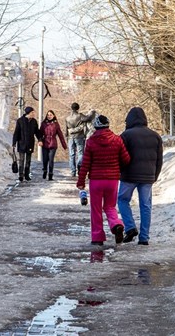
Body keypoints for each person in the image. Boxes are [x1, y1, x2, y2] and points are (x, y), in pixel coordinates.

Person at [76, 115, 130, 246]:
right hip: (112, 180)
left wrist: (81, 181)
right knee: (110, 206)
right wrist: (117, 167)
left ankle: (97, 237)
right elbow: (126, 159)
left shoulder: (91, 142)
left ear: (95, 126)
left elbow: (86, 164)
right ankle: (116, 224)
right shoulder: (117, 140)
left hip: (96, 180)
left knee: (96, 209)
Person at [117, 107, 163, 246]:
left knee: (122, 200)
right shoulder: (155, 136)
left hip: (129, 176)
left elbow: (120, 157)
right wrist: (154, 176)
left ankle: (130, 227)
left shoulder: (126, 135)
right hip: (148, 176)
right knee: (146, 206)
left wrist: (121, 172)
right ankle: (144, 238)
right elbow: (159, 159)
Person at [65, 102, 96, 177]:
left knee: (71, 154)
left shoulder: (67, 118)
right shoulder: (80, 116)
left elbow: (66, 130)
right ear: (78, 108)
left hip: (70, 137)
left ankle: (73, 171)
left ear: (71, 108)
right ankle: (79, 167)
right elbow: (88, 118)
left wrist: (67, 137)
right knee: (80, 153)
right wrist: (93, 112)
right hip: (79, 137)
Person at [13, 106, 43, 182]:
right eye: (32, 112)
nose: (34, 114)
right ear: (28, 113)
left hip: (30, 143)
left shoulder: (34, 121)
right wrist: (14, 143)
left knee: (28, 160)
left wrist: (40, 139)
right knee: (21, 159)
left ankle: (26, 175)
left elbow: (37, 132)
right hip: (21, 143)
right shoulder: (20, 121)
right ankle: (20, 175)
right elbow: (16, 132)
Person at [39, 110, 68, 180]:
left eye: (50, 115)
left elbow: (60, 135)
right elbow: (40, 133)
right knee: (45, 159)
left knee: (51, 160)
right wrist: (40, 140)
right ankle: (45, 170)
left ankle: (50, 174)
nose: (49, 116)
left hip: (53, 144)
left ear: (53, 116)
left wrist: (64, 145)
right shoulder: (43, 123)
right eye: (48, 115)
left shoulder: (56, 124)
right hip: (45, 143)